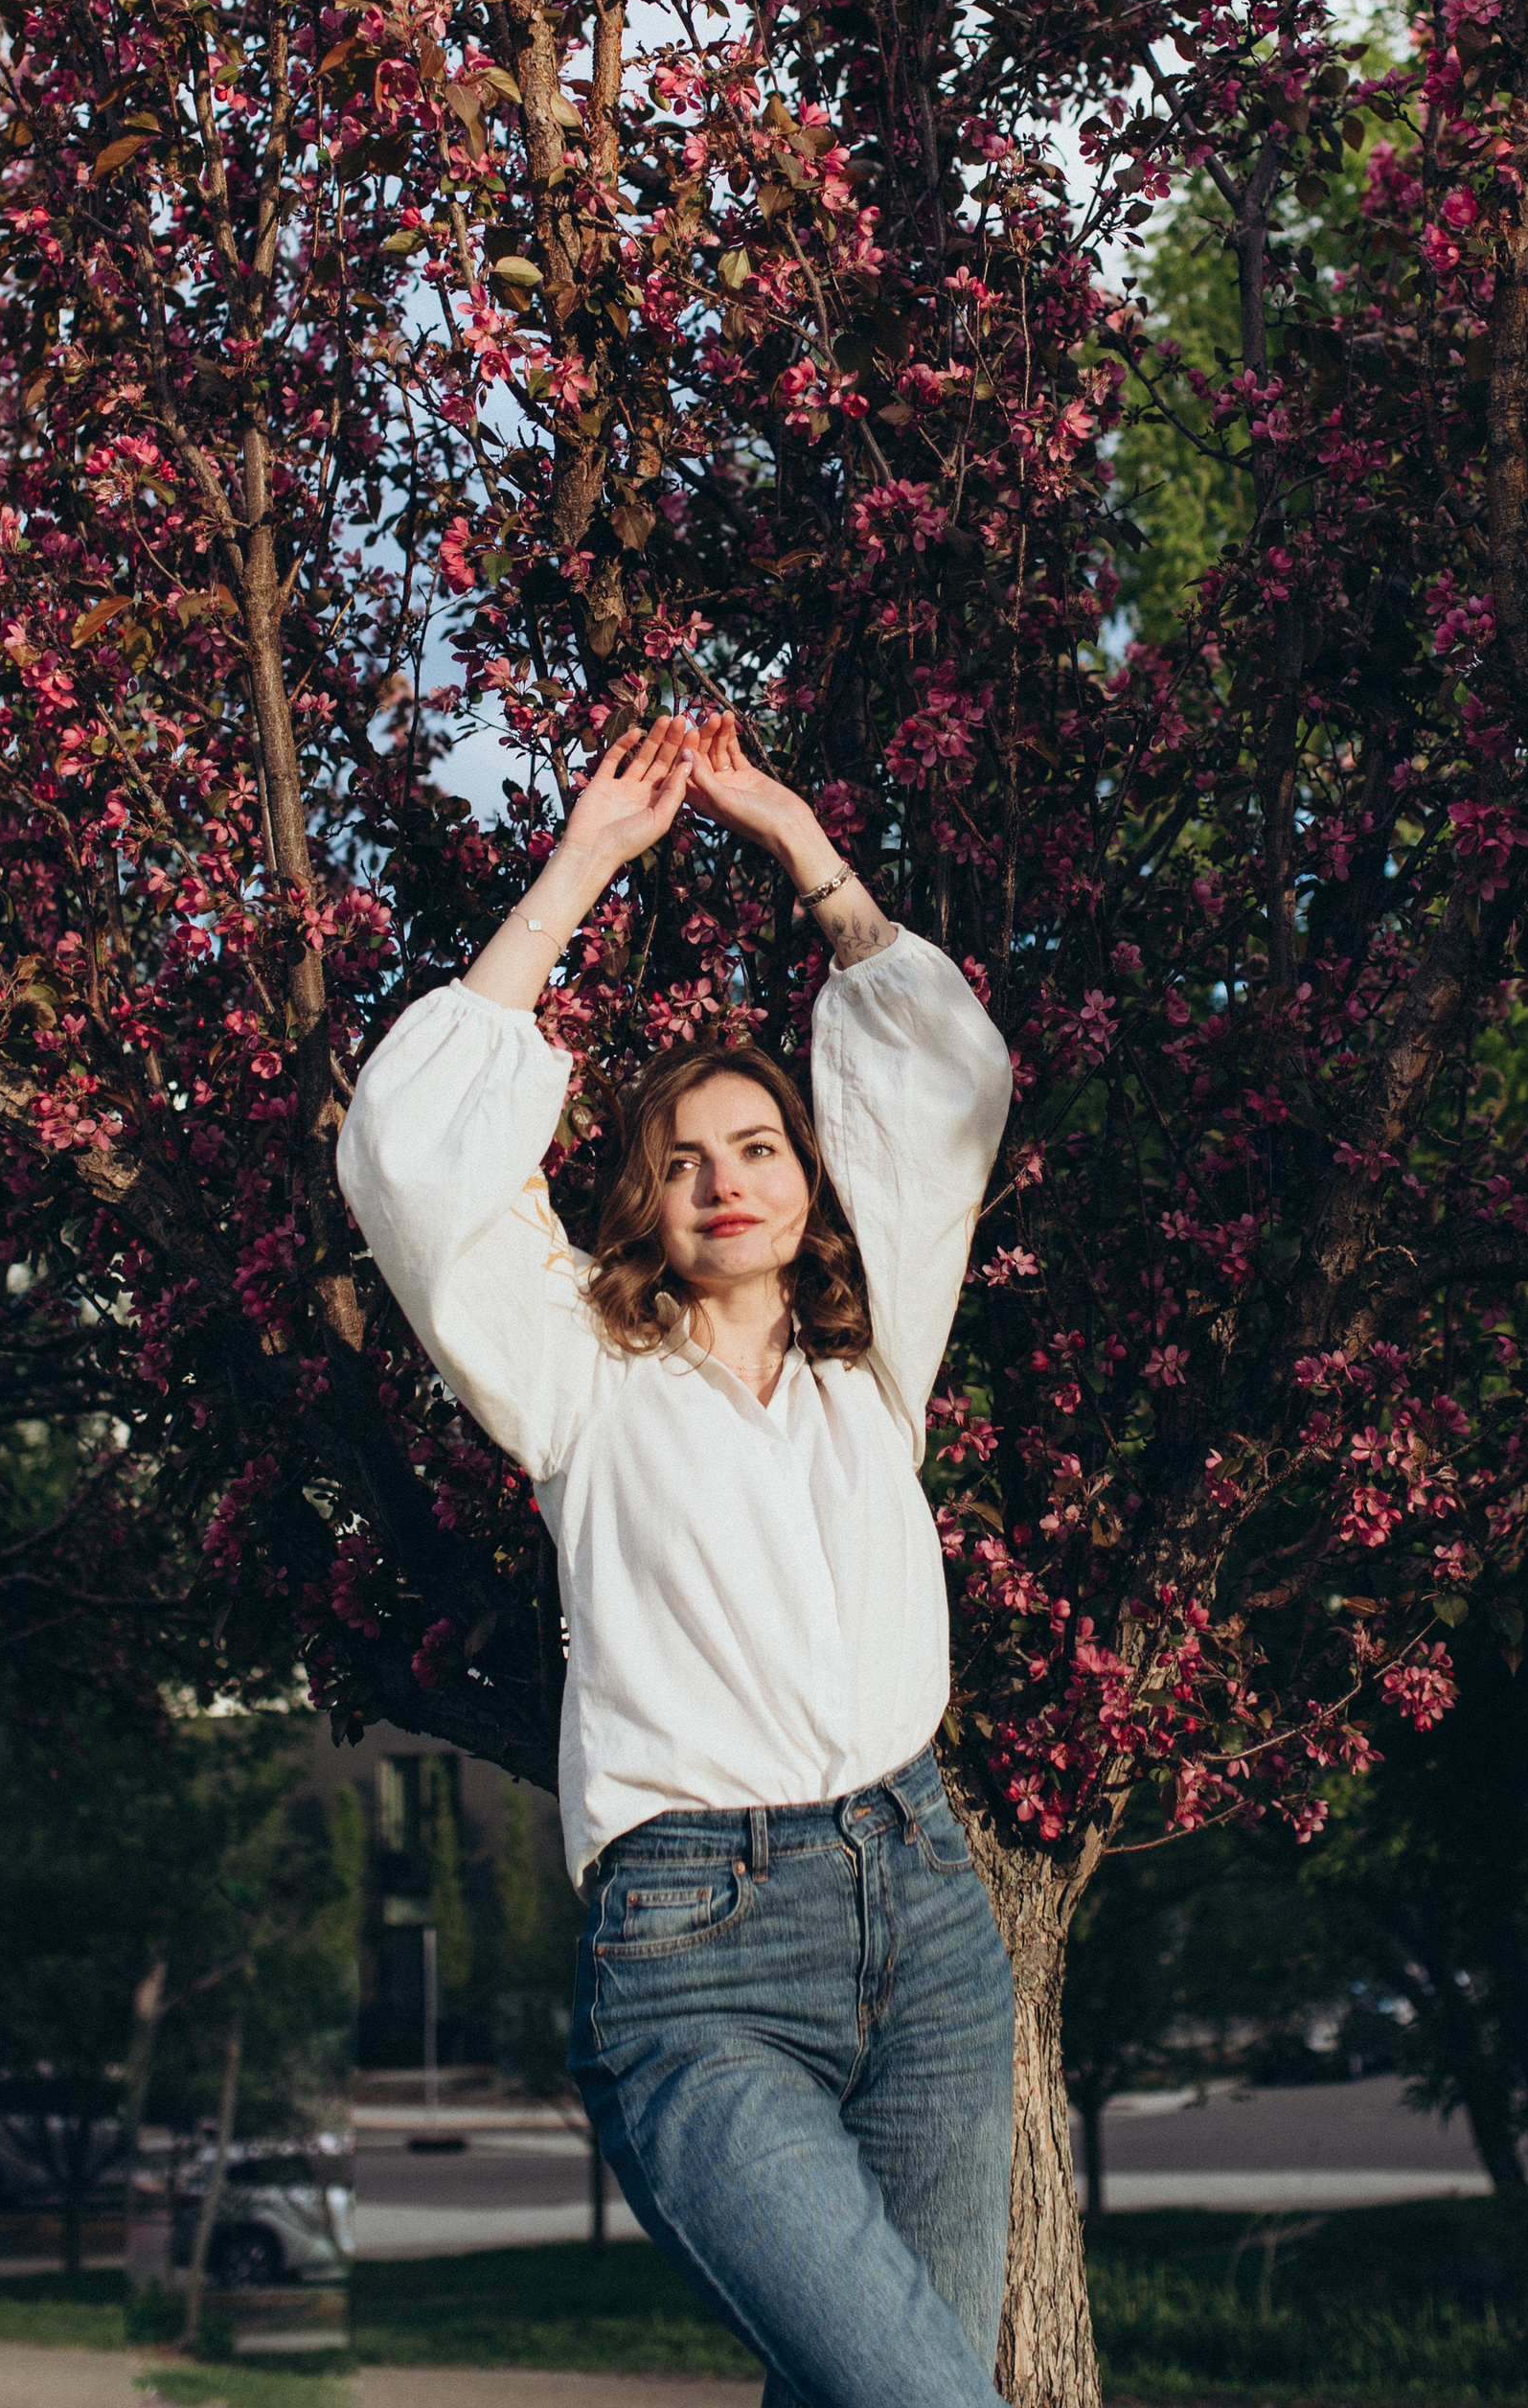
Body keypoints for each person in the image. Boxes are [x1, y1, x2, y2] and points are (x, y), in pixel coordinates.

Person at [337, 708, 1017, 2408]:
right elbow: (408, 1162)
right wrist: (583, 863)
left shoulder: (878, 1363)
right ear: (636, 1202)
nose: (727, 1182)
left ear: (807, 1182)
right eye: (684, 1161)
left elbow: (948, 1087)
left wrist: (807, 849)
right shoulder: (580, 1370)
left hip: (929, 1914)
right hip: (699, 1950)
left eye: (762, 1147)